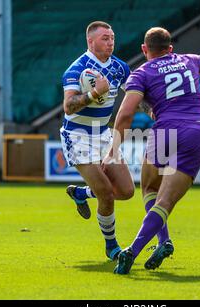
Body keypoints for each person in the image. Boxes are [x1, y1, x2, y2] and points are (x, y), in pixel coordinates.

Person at [102, 27, 200, 274]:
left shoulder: (141, 74)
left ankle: (141, 248)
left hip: (165, 131)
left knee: (149, 188)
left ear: (144, 49)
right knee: (166, 201)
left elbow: (126, 113)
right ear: (170, 48)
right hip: (195, 129)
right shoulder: (187, 60)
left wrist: (114, 150)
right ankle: (157, 243)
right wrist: (190, 67)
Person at [61, 21, 134, 261]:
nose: (111, 41)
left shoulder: (120, 67)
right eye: (105, 38)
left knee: (126, 191)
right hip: (78, 135)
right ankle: (111, 246)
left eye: (112, 37)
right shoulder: (76, 69)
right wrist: (94, 93)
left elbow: (135, 96)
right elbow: (69, 106)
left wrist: (152, 110)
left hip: (103, 134)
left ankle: (81, 193)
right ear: (90, 41)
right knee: (106, 193)